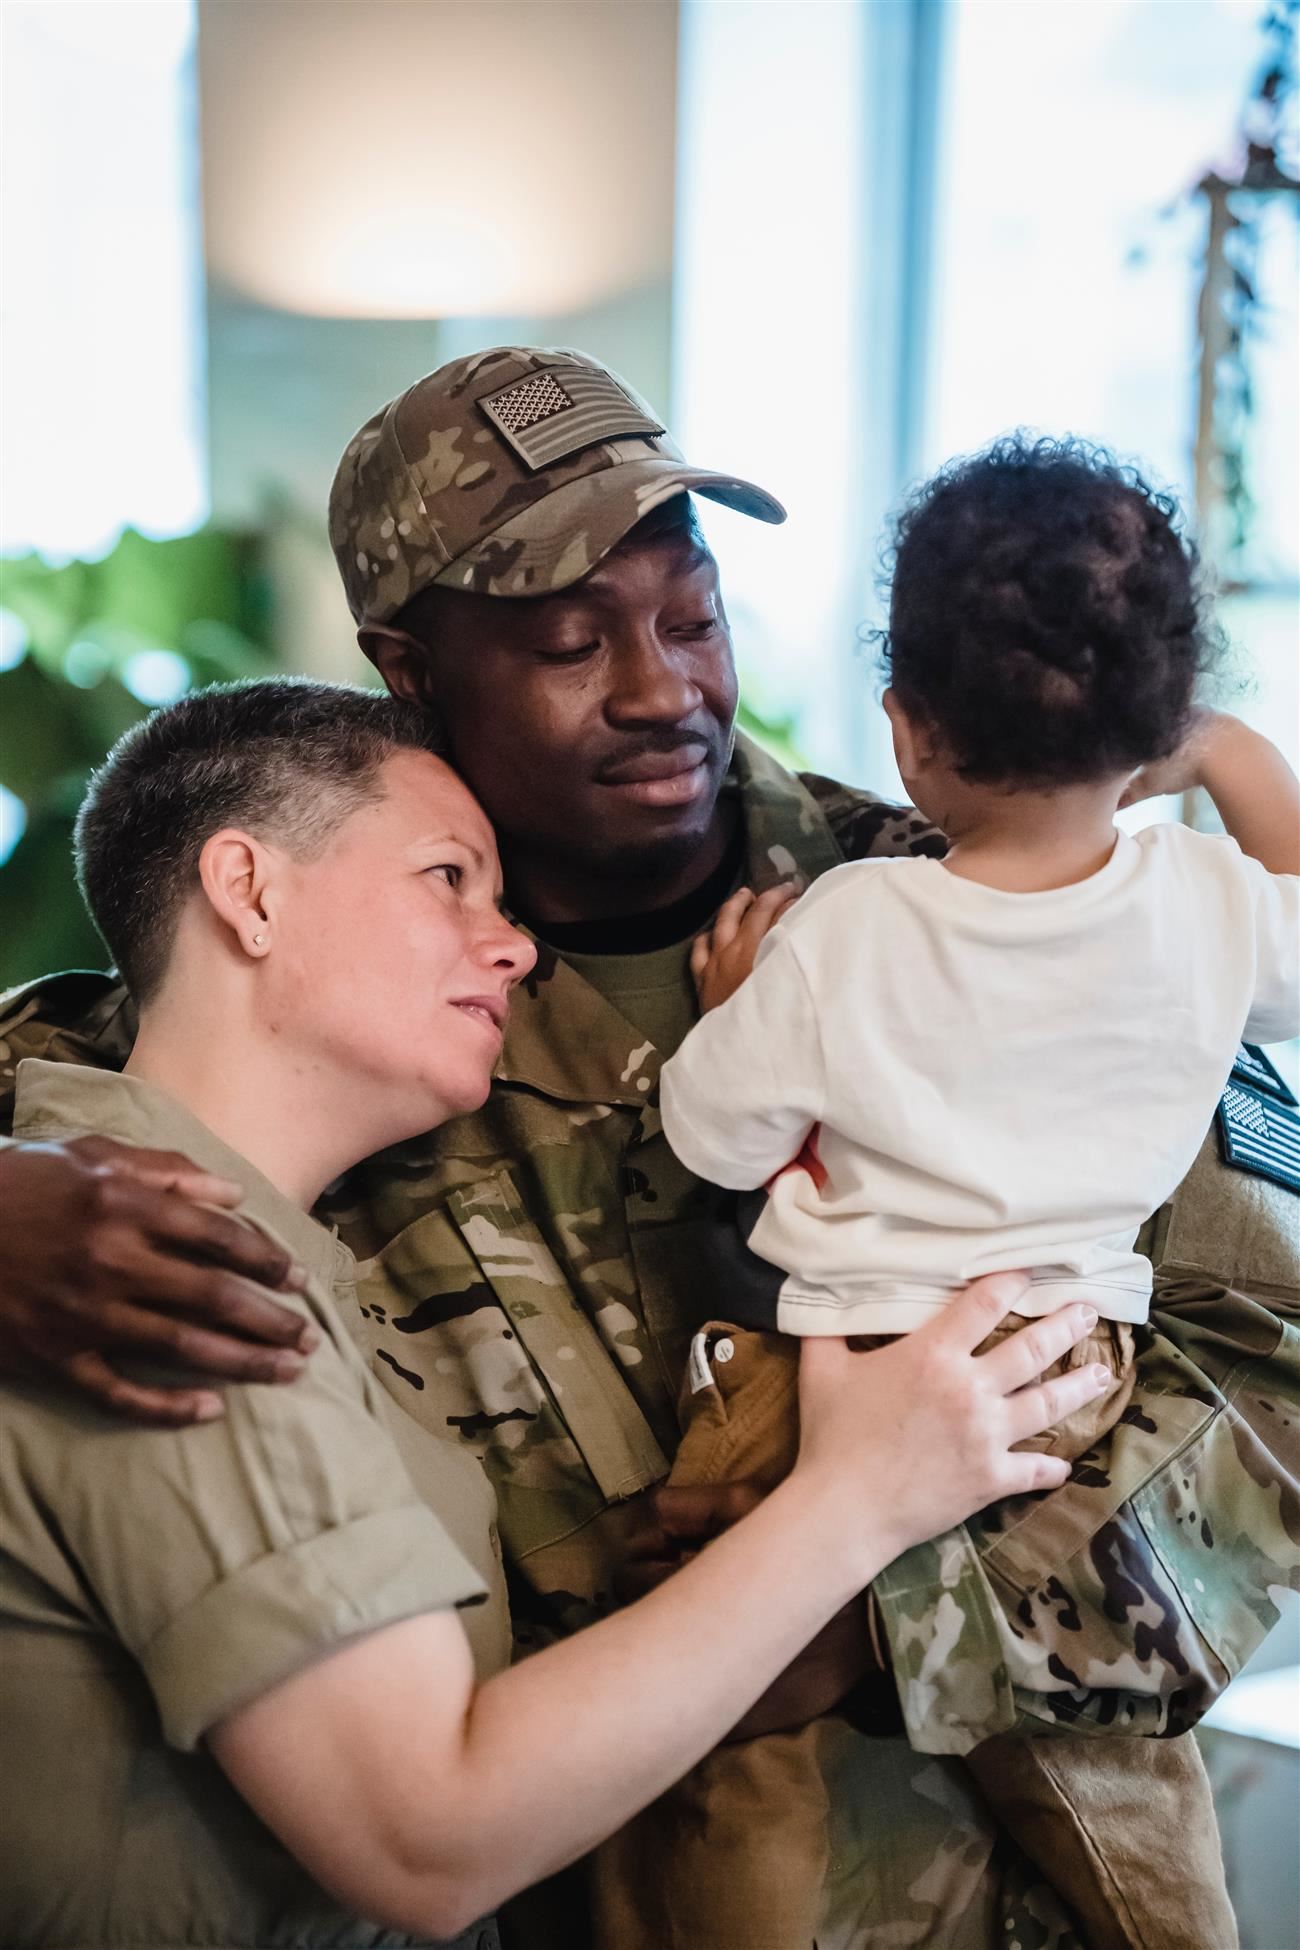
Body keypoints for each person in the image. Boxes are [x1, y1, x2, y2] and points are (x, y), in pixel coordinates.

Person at [0, 346, 1296, 1949]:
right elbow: (100, 1101)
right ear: (408, 670)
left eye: (694, 619)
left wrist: (884, 1622)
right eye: (567, 643)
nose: (661, 687)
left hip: (1000, 1892)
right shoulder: (350, 996)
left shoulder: (988, 895)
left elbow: (1270, 1365)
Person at [0, 674, 1107, 1950]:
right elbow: (426, 1835)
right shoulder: (159, 1269)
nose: (515, 944)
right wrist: (861, 1496)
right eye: (446, 879)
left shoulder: (185, 1224)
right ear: (251, 892)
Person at [639, 436, 1300, 1950]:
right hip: (1058, 1397)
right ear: (1149, 730)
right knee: (1115, 1775)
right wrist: (1235, 755)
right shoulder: (1208, 910)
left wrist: (739, 1001)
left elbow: (712, 1138)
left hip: (823, 1387)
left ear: (909, 727)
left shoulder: (847, 924)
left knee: (740, 1744)